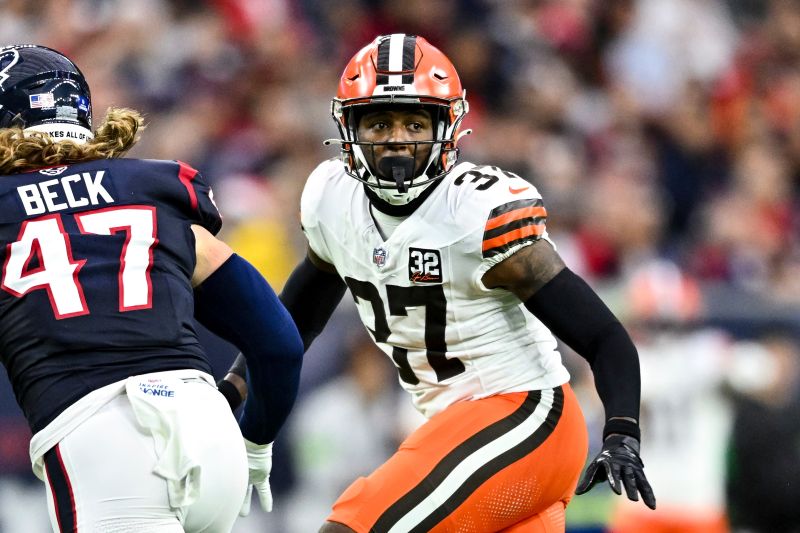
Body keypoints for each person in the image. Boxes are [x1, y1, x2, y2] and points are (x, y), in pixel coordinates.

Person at [224, 33, 656, 532]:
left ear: (446, 127)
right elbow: (295, 318)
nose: (397, 138)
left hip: (522, 416)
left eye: (414, 122)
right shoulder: (330, 200)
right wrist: (234, 388)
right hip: (455, 429)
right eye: (380, 122)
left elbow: (604, 337)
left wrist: (622, 431)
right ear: (350, 127)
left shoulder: (474, 212)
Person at [0, 44, 303, 532]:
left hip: (102, 443)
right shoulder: (154, 191)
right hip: (209, 430)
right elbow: (278, 343)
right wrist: (255, 439)